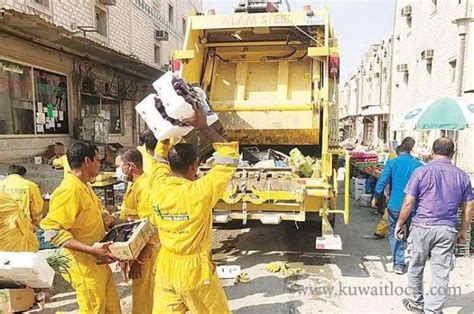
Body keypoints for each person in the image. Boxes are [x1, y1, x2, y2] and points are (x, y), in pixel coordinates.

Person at [150, 102, 238, 313]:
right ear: (194, 167)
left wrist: (166, 132)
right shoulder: (200, 192)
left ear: (170, 167)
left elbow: (158, 159)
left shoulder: (157, 185)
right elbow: (229, 158)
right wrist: (203, 127)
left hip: (165, 267)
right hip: (195, 271)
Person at [40, 141, 121, 314]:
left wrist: (114, 221)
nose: (100, 164)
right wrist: (91, 251)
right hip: (84, 265)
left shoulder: (85, 185)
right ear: (87, 161)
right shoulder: (69, 191)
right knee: (93, 309)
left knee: (111, 308)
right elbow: (52, 232)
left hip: (99, 260)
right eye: (98, 160)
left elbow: (98, 211)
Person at [397, 137, 473, 313]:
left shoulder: (421, 172)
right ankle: (433, 310)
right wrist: (462, 230)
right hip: (447, 229)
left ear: (432, 152)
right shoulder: (462, 176)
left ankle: (416, 302)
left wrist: (400, 223)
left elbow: (408, 202)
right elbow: (469, 205)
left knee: (416, 266)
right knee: (441, 272)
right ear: (453, 154)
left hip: (422, 227)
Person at [115, 148, 159, 314]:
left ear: (129, 166)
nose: (118, 171)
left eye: (119, 166)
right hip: (137, 249)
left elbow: (150, 227)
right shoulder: (134, 185)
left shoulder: (145, 188)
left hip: (146, 253)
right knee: (140, 293)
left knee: (146, 296)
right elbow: (132, 218)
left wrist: (140, 261)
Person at [371, 137, 422, 274]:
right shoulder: (419, 165)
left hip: (396, 205)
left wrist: (375, 197)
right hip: (413, 207)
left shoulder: (392, 163)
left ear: (399, 152)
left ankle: (399, 264)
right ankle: (415, 263)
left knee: (396, 232)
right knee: (414, 234)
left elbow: (382, 181)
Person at [366, 146, 402, 240]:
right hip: (404, 196)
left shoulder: (392, 161)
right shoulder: (413, 164)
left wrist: (375, 197)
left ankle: (380, 233)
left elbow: (382, 182)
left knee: (389, 213)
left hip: (396, 197)